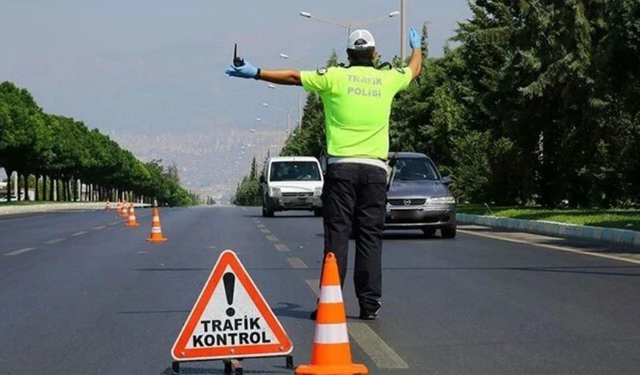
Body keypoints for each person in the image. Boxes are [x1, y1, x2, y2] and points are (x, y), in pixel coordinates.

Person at [225, 27, 423, 320]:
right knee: (370, 238)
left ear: (347, 55)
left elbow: (294, 77)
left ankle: (331, 301)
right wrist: (416, 48)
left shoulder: (334, 77)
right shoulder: (388, 79)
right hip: (375, 172)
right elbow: (414, 70)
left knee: (337, 237)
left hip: (341, 170)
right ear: (374, 54)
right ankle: (369, 305)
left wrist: (256, 72)